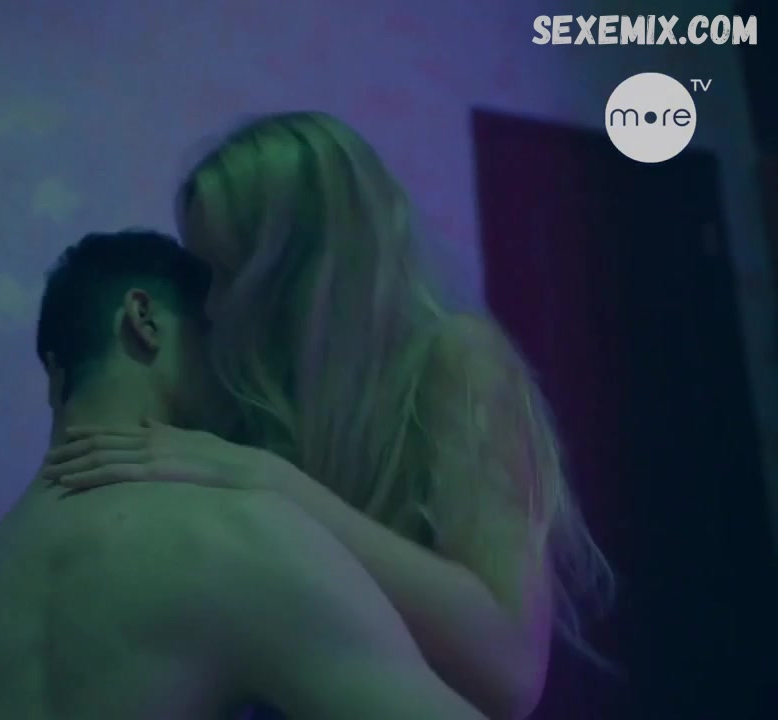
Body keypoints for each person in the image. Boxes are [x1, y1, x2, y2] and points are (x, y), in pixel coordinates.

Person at [42, 113, 613, 720]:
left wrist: (278, 486)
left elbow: (510, 668)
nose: (208, 308)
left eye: (223, 274)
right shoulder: (248, 405)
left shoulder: (452, 364)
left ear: (297, 271)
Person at [0, 229, 486, 719]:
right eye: (215, 331)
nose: (240, 371)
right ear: (143, 319)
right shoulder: (234, 536)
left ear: (56, 373)